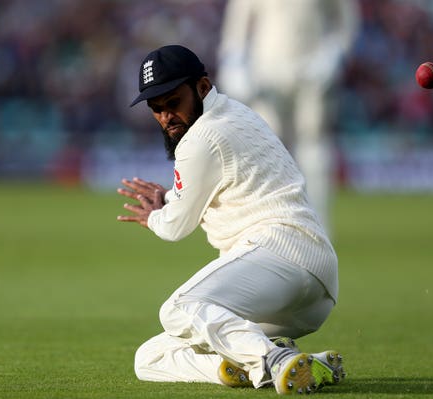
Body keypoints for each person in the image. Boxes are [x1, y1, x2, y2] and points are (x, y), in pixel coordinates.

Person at [117, 45, 343, 394]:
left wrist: (155, 216)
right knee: (150, 356)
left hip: (280, 254)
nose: (165, 117)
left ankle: (271, 360)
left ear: (202, 88)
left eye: (173, 102)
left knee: (179, 309)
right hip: (315, 286)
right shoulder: (235, 114)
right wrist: (168, 200)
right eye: (156, 108)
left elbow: (175, 226)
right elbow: (199, 189)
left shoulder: (202, 137)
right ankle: (268, 362)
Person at [217, 0, 360, 232]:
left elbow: (346, 24)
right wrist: (233, 64)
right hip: (266, 74)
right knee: (268, 146)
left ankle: (317, 225)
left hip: (312, 71)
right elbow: (236, 28)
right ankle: (270, 222)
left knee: (313, 144)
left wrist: (334, 54)